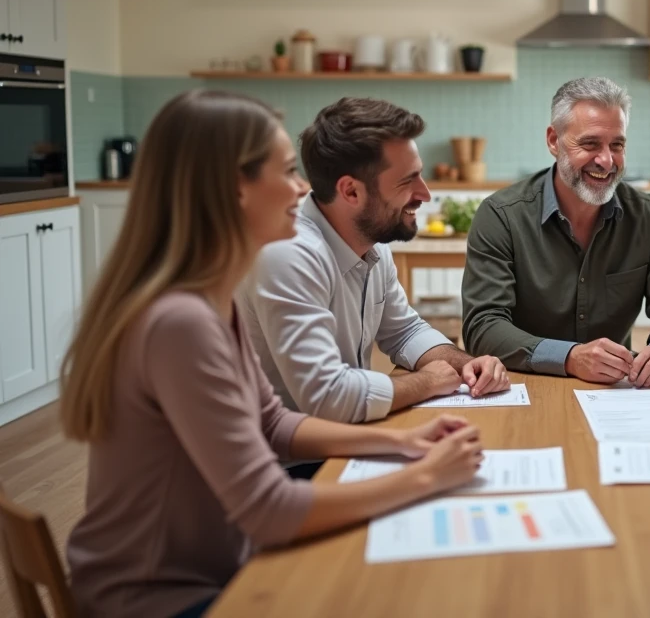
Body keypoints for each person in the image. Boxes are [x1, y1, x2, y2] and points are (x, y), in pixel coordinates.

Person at [62, 90, 484, 618]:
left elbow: (273, 422)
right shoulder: (182, 322)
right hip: (160, 598)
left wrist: (401, 444)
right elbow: (267, 509)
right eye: (286, 171)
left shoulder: (210, 300)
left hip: (217, 565)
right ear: (234, 190)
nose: (304, 187)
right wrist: (425, 476)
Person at [236, 98, 509, 462]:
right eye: (408, 180)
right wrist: (426, 382)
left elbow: (404, 331)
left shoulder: (371, 242)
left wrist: (464, 364)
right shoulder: (289, 253)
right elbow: (328, 399)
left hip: (347, 443)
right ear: (350, 191)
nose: (425, 194)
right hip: (289, 465)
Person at [462, 77, 650, 386]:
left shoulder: (648, 214)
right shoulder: (500, 216)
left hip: (614, 392)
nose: (606, 160)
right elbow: (483, 326)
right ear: (554, 141)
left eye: (617, 145)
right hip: (527, 384)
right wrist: (569, 357)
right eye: (590, 144)